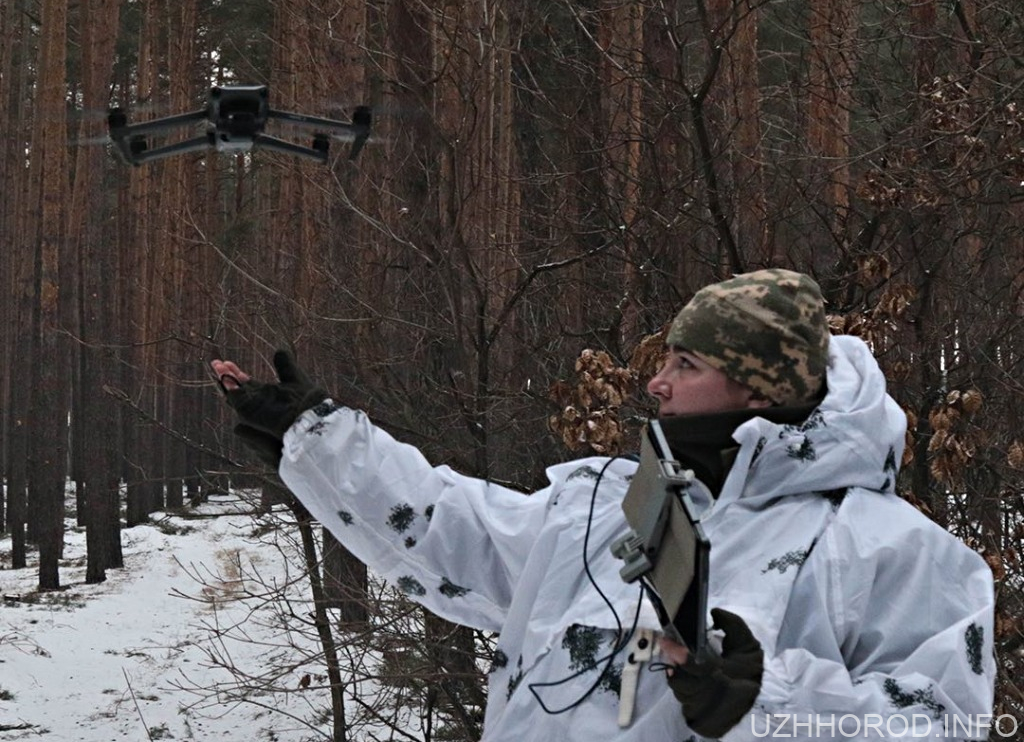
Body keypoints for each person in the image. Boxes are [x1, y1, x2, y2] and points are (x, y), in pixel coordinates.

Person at [212, 269, 995, 741]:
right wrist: (315, 438)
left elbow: (941, 723)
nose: (655, 383)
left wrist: (765, 701)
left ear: (760, 388)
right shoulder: (602, 502)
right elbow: (451, 531)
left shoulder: (889, 549)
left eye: (685, 364)